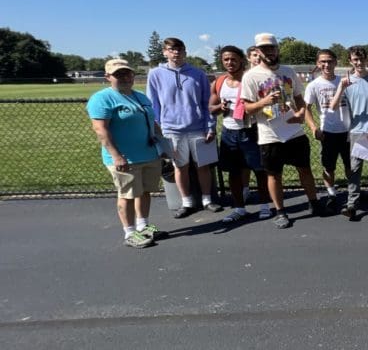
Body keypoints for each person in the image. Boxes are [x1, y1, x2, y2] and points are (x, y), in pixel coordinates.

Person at [240, 33, 323, 229]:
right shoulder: (251, 76)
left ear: (277, 49)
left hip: (294, 131)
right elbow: (246, 108)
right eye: (264, 48)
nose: (269, 51)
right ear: (258, 51)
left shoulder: (288, 71)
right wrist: (264, 102)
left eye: (272, 48)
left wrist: (302, 113)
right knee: (274, 175)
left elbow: (299, 98)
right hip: (270, 134)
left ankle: (314, 203)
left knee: (305, 169)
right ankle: (280, 211)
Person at [87, 59, 167, 247]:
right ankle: (129, 232)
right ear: (108, 77)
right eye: (118, 74)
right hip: (125, 158)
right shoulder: (102, 98)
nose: (124, 77)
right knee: (128, 195)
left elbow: (152, 123)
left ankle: (143, 227)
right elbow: (100, 130)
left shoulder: (141, 97)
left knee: (145, 192)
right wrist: (116, 155)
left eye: (127, 73)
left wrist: (163, 145)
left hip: (148, 154)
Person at [146, 37, 220, 218]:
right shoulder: (155, 74)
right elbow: (153, 104)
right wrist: (158, 129)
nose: (176, 52)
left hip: (197, 128)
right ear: (165, 52)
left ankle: (207, 200)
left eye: (179, 49)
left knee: (203, 166)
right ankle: (187, 202)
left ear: (185, 52)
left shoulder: (198, 74)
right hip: (172, 130)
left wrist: (210, 126)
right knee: (180, 167)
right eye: (171, 49)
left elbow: (206, 103)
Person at [210, 45, 271, 223]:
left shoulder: (250, 79)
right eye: (226, 59)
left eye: (233, 59)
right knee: (234, 172)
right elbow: (210, 108)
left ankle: (265, 205)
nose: (230, 62)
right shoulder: (219, 82)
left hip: (251, 130)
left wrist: (251, 109)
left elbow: (266, 105)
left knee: (259, 170)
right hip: (229, 132)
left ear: (241, 60)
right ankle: (239, 208)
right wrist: (219, 108)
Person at [328, 45, 368, 218]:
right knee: (355, 169)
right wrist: (341, 87)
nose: (359, 62)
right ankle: (351, 204)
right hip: (356, 132)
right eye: (355, 59)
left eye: (362, 59)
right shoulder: (347, 82)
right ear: (350, 61)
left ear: (366, 60)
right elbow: (332, 107)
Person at [304, 49, 352, 212]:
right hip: (328, 131)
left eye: (330, 61)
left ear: (335, 62)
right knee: (328, 166)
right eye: (323, 61)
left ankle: (353, 193)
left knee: (350, 165)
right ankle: (332, 194)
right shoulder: (313, 85)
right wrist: (313, 127)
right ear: (318, 64)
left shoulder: (344, 81)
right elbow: (306, 108)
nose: (326, 64)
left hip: (348, 131)